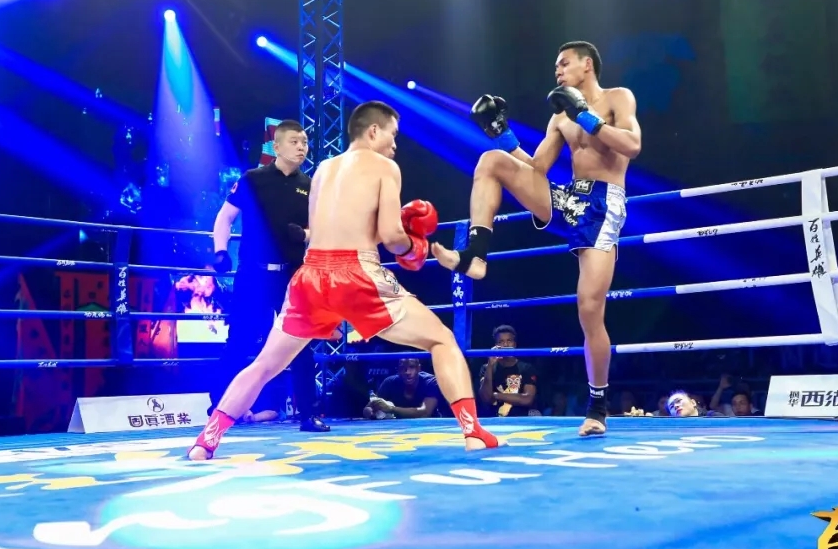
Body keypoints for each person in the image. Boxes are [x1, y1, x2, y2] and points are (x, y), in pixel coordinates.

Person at [188, 101, 504, 460]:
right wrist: (415, 246)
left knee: (263, 365)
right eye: (392, 135)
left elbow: (324, 231)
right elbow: (391, 237)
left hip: (309, 277)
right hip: (356, 273)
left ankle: (205, 442)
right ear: (373, 131)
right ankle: (473, 432)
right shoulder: (385, 167)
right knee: (442, 340)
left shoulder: (323, 170)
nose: (395, 144)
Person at [432, 41, 641, 438]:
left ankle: (598, 405)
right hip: (569, 197)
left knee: (589, 309)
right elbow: (537, 167)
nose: (557, 71)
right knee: (491, 161)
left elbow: (633, 145)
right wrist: (501, 132)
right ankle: (476, 254)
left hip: (604, 203)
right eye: (556, 65)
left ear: (587, 64)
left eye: (564, 63)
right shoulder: (560, 115)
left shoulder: (618, 98)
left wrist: (587, 117)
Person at [209, 119, 329, 432]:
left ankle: (308, 414)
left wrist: (304, 235)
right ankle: (220, 408)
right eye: (294, 142)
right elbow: (225, 217)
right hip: (254, 274)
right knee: (240, 340)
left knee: (301, 344)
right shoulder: (253, 179)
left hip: (292, 275)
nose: (301, 148)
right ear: (276, 147)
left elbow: (320, 230)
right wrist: (220, 251)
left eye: (304, 142)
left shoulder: (310, 185)